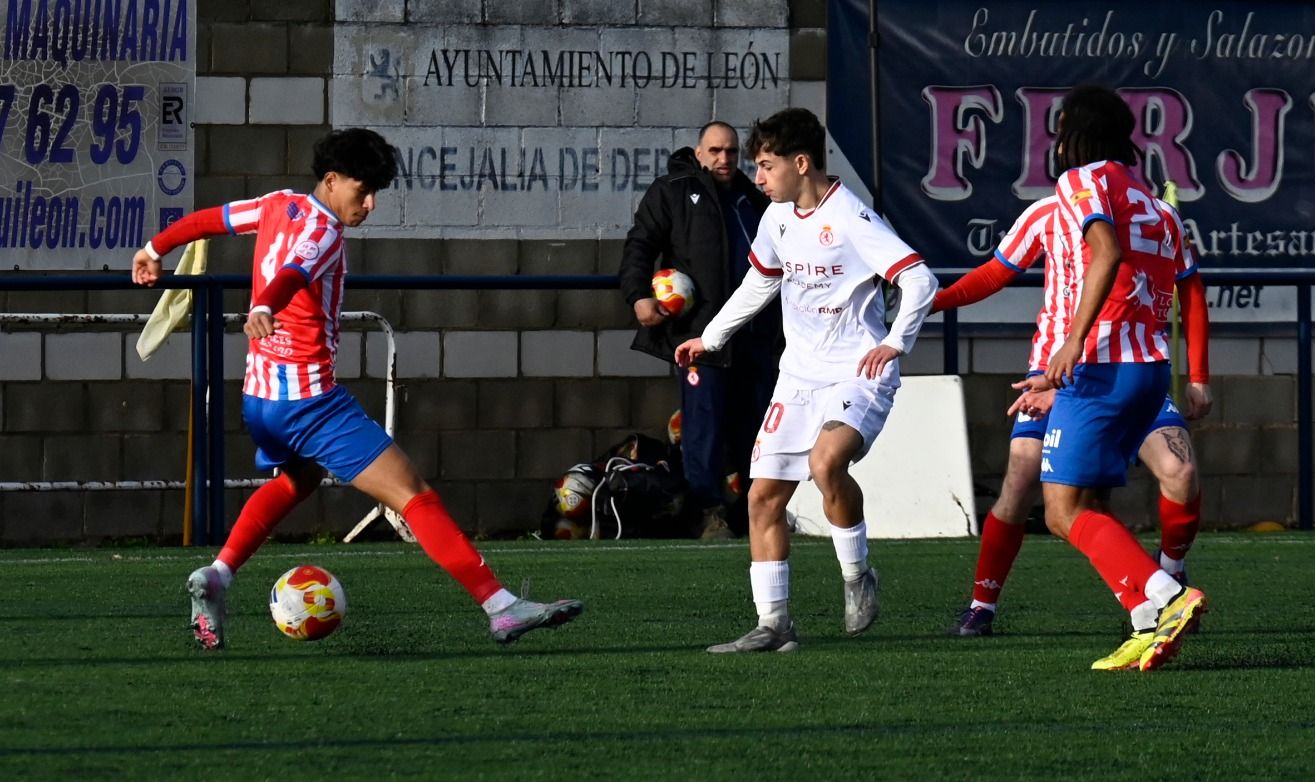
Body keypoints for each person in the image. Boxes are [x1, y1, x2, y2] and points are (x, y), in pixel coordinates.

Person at [131, 128, 584, 649]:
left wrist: (153, 247)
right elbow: (296, 272)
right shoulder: (324, 229)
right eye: (361, 190)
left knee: (298, 480)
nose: (368, 205)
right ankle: (501, 607)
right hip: (309, 403)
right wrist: (264, 307)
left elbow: (212, 219)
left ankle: (218, 575)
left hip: (259, 399)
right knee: (413, 495)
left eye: (375, 195)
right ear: (330, 180)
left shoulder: (277, 203)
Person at [675, 107, 939, 653]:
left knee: (825, 464)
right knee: (762, 497)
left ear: (801, 162)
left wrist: (895, 342)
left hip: (858, 370)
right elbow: (759, 282)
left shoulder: (852, 218)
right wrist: (713, 336)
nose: (758, 177)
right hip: (797, 376)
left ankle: (857, 574)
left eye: (767, 166)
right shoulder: (775, 219)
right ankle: (774, 626)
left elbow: (919, 279)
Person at [937, 189, 1210, 640]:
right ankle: (982, 605)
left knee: (1180, 471)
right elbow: (995, 272)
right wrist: (934, 301)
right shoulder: (1048, 212)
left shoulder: (1157, 216)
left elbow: (1191, 289)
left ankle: (1167, 583)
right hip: (1059, 371)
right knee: (1024, 475)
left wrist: (1199, 374)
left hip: (1127, 370)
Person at [1009, 85, 1206, 672]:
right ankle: (1145, 620)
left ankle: (1168, 596)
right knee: (1085, 502)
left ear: (1077, 129)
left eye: (1062, 125)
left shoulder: (1081, 181)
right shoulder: (1154, 201)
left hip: (1101, 367)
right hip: (1148, 370)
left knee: (1062, 510)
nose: (1058, 137)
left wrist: (1069, 346)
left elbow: (1106, 252)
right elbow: (1168, 288)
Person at [620, 121, 779, 538]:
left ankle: (752, 514)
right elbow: (639, 245)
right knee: (703, 429)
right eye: (715, 151)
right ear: (698, 151)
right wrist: (639, 295)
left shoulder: (752, 196)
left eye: (730, 152)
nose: (723, 159)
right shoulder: (672, 190)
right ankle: (705, 513)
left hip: (755, 334)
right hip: (700, 336)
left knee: (757, 428)